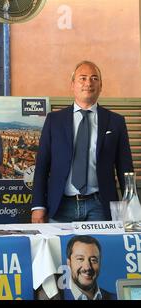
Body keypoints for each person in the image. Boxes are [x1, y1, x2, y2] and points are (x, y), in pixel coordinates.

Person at [31, 61, 133, 223]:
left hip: (100, 206)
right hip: (60, 206)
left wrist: (131, 206)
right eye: (83, 78)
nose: (88, 83)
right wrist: (38, 206)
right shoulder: (54, 121)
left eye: (94, 78)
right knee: (60, 248)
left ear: (101, 85)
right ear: (72, 85)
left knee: (101, 248)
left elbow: (125, 168)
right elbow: (42, 166)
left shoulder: (116, 122)